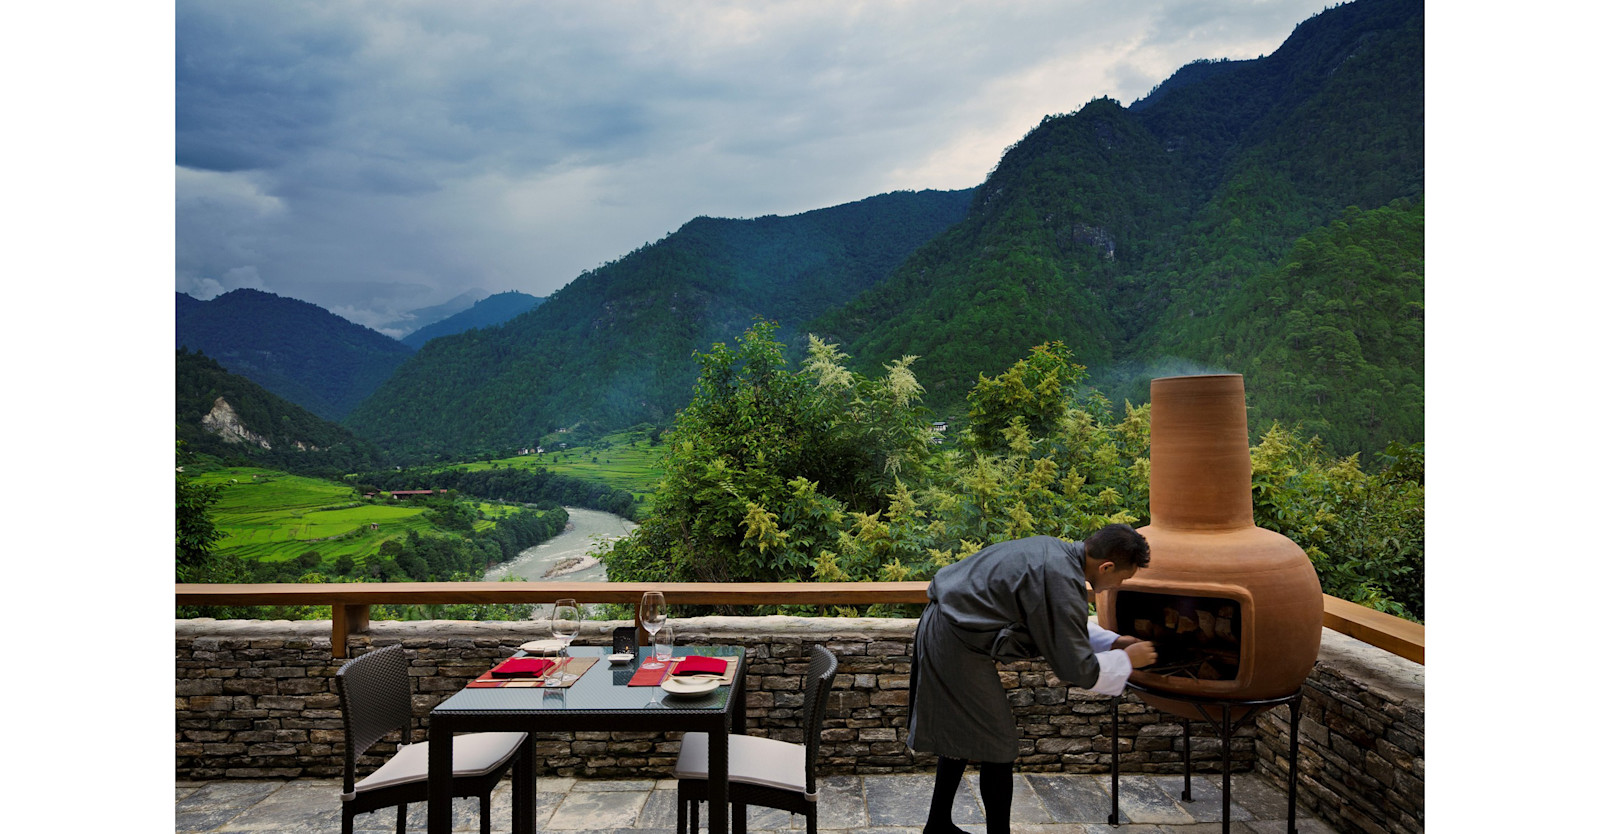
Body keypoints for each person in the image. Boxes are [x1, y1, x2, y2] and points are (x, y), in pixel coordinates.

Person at [906, 525, 1158, 834]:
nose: (1117, 585)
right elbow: (1076, 667)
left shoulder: (1054, 553)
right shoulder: (1061, 576)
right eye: (1121, 578)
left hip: (948, 626)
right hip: (956, 640)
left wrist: (1112, 643)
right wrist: (1128, 661)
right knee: (999, 746)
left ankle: (938, 826)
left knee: (964, 732)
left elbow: (1058, 621)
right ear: (1106, 566)